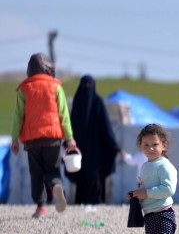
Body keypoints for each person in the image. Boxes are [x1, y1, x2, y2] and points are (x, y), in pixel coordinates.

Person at [10, 53, 77, 218]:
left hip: (32, 140)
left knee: (36, 173)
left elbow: (18, 117)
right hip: (52, 138)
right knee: (53, 169)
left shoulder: (24, 89)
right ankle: (55, 186)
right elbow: (64, 115)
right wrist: (69, 138)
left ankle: (40, 207)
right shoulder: (56, 87)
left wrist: (14, 139)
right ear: (49, 68)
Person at [128, 123, 178, 234]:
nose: (150, 148)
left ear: (164, 145)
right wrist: (136, 195)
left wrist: (146, 193)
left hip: (163, 214)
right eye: (146, 145)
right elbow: (145, 186)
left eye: (155, 144)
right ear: (140, 146)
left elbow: (168, 189)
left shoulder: (164, 166)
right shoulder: (146, 166)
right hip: (150, 215)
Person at [66, 75, 124, 205]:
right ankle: (79, 207)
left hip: (95, 151)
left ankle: (95, 206)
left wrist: (115, 147)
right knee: (80, 177)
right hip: (79, 149)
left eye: (89, 86)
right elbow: (71, 124)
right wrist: (68, 141)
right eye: (85, 85)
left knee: (94, 178)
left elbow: (106, 126)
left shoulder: (97, 102)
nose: (87, 89)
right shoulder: (78, 100)